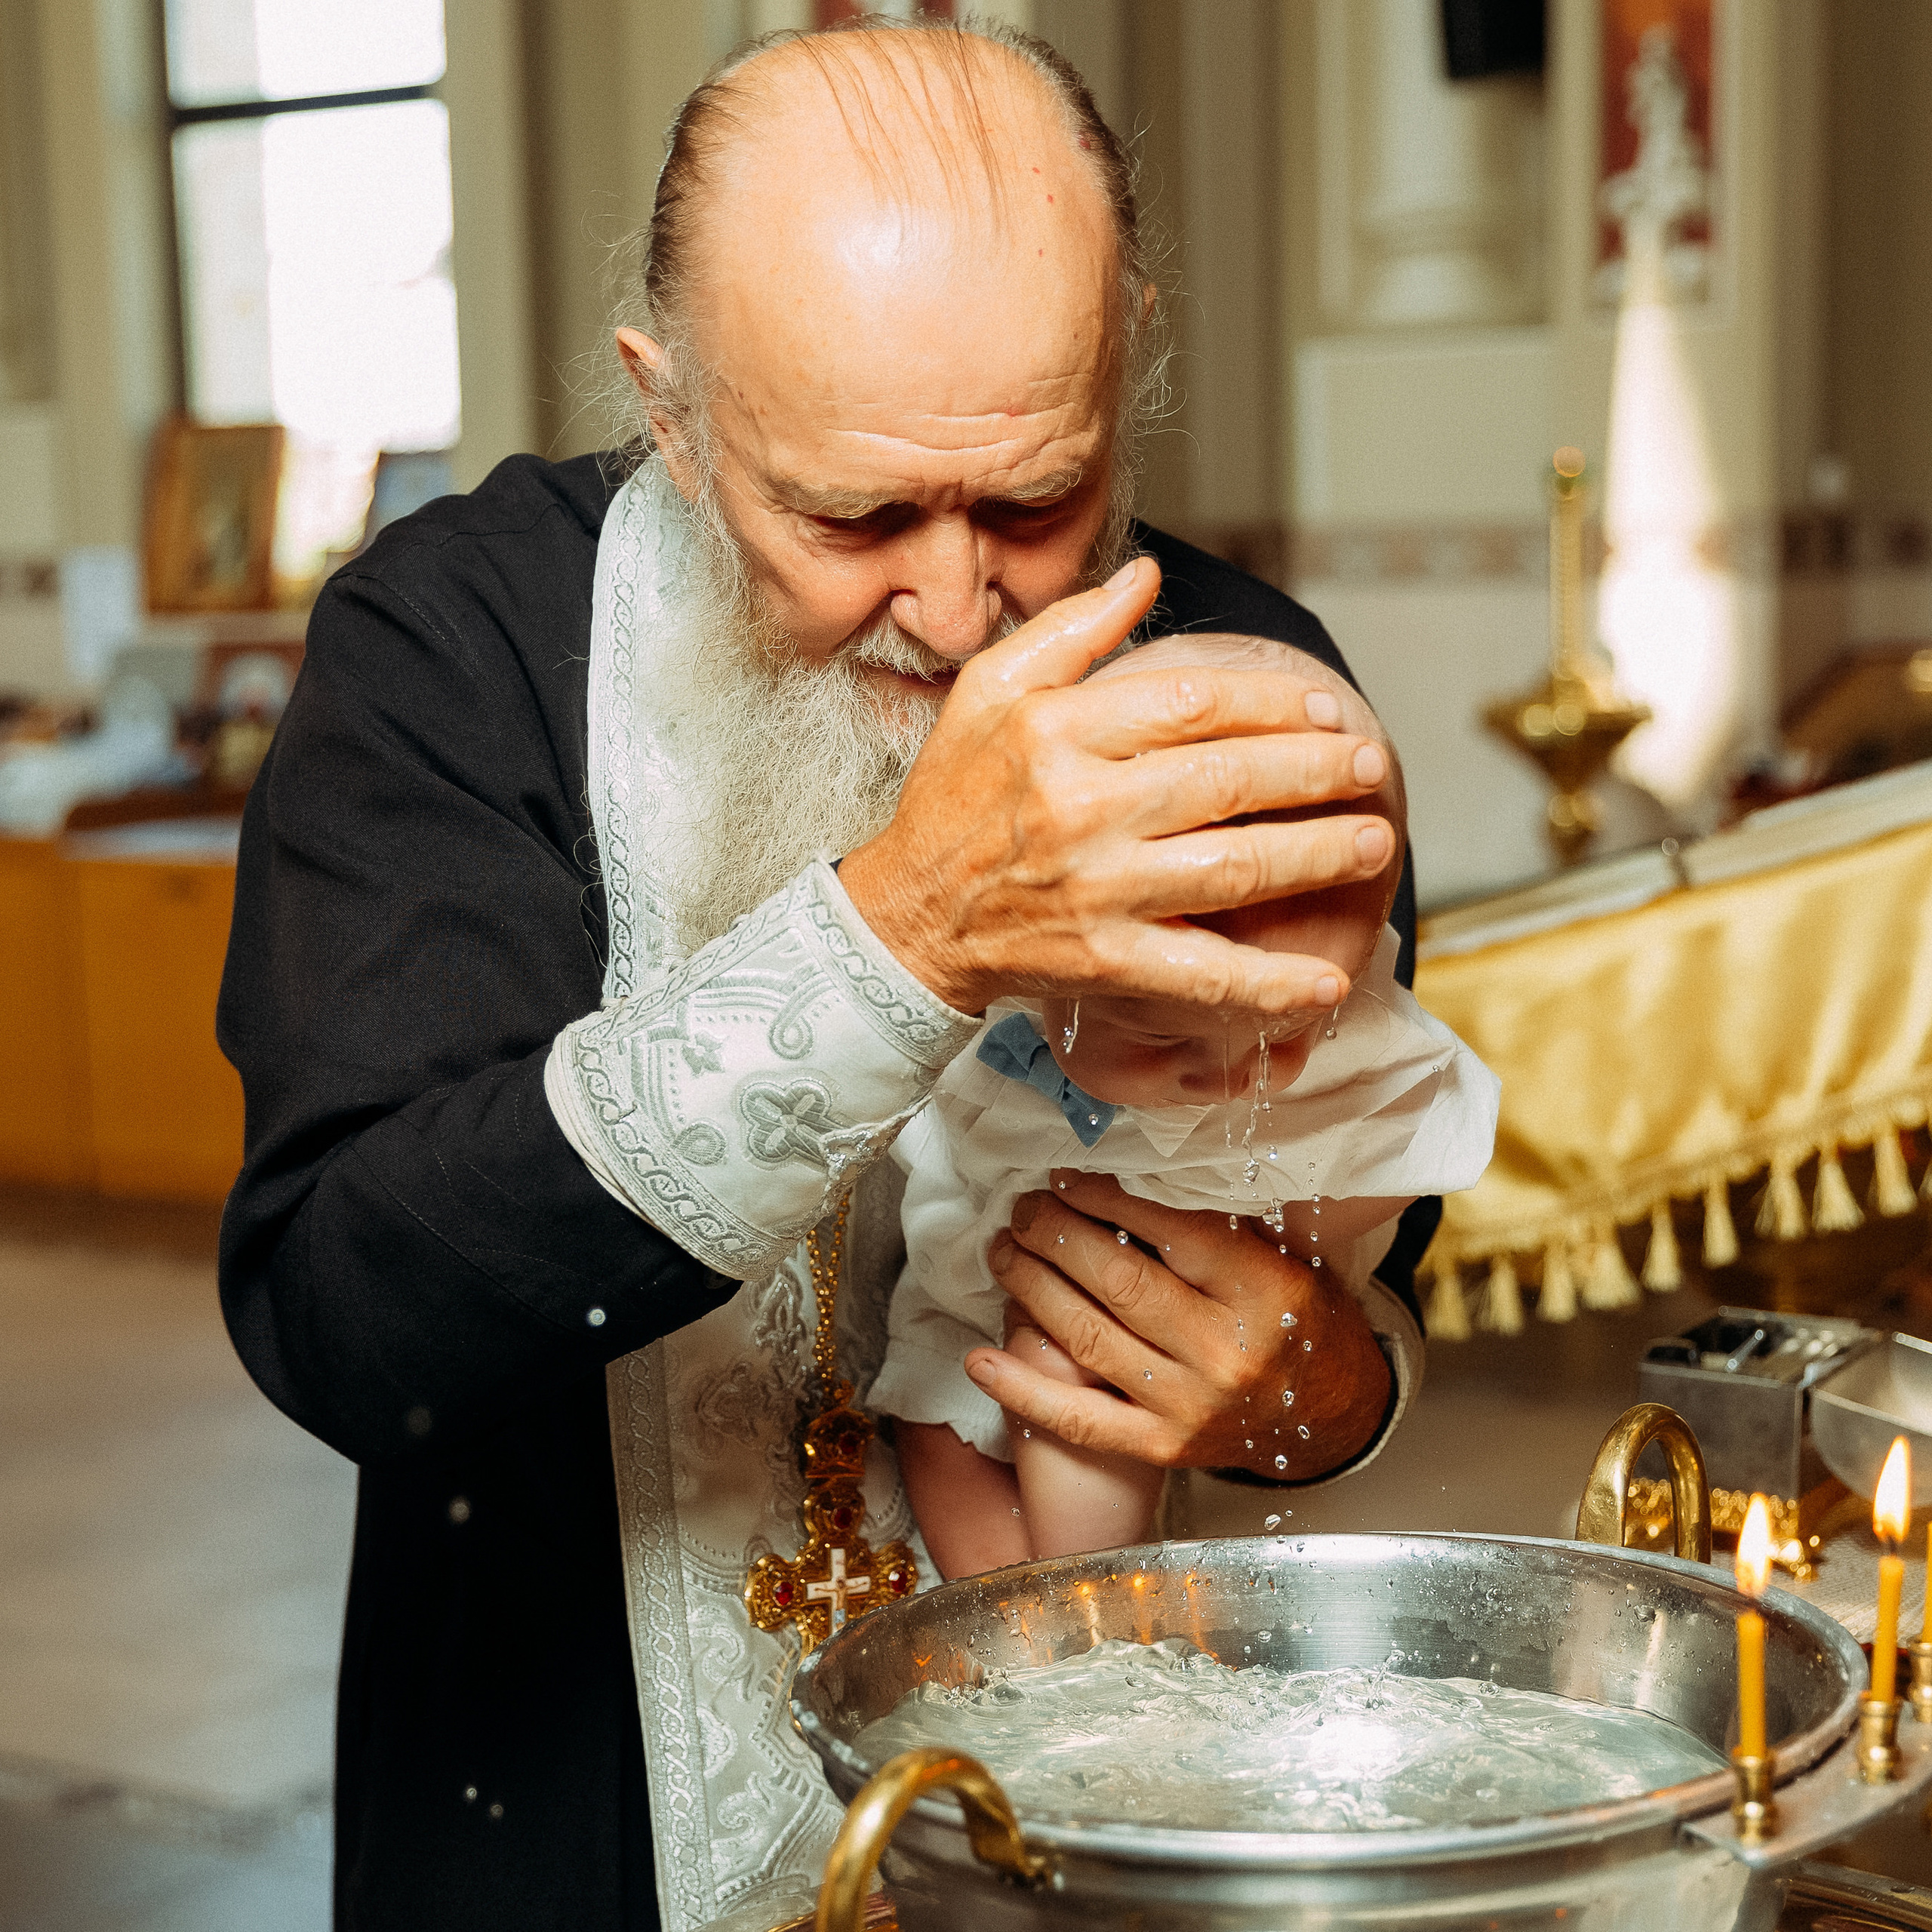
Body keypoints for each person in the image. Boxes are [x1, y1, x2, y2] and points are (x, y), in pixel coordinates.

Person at [216, 19, 1440, 1932]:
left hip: (1092, 1835)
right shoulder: (445, 648)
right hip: (565, 1832)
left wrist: (1316, 1384)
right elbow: (345, 1306)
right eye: (854, 517)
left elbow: (1359, 1251)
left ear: (1125, 363)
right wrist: (905, 930)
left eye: (1033, 497)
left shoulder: (1244, 675)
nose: (955, 611)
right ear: (677, 412)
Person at [877, 638, 1497, 1580]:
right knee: (936, 1407)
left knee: (1071, 1375)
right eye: (1156, 1037)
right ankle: (1007, 1614)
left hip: (1162, 1293)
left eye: (1287, 1032)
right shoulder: (1018, 956)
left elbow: (1418, 1150)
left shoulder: (1355, 1021)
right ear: (1043, 966)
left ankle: (1082, 1601)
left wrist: (1291, 1235)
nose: (1228, 1077)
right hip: (973, 1255)